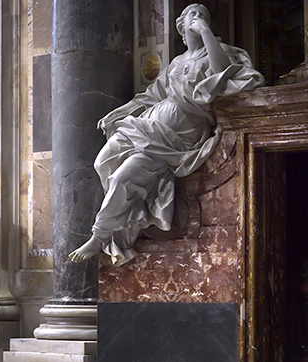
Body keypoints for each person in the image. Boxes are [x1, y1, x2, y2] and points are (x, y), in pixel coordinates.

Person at [69, 3, 264, 266]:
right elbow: (151, 96)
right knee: (102, 160)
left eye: (203, 15)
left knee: (122, 178)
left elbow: (223, 73)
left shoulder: (219, 53)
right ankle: (125, 214)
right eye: (192, 15)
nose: (197, 18)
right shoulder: (176, 63)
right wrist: (118, 113)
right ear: (182, 27)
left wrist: (205, 32)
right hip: (150, 123)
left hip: (179, 137)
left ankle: (100, 235)